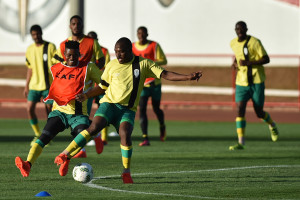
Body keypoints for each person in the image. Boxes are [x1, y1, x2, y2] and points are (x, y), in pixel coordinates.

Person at [54, 37, 202, 184]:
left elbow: (165, 74)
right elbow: (102, 86)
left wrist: (188, 76)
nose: (118, 55)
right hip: (109, 105)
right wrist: (86, 95)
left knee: (125, 134)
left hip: (127, 110)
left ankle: (126, 172)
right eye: (116, 52)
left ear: (130, 51)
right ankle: (65, 154)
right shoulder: (112, 65)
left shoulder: (143, 64)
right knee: (93, 128)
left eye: (122, 52)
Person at [15, 41, 102, 177]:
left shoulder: (88, 68)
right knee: (44, 137)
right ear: (64, 55)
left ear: (79, 54)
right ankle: (27, 164)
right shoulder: (56, 68)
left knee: (82, 135)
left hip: (78, 114)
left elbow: (104, 85)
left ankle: (65, 156)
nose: (71, 58)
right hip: (59, 112)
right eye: (68, 56)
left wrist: (87, 95)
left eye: (74, 55)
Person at [52, 15, 105, 157]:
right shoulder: (64, 44)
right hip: (67, 86)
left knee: (79, 117)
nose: (76, 26)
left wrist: (89, 72)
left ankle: (81, 150)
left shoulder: (91, 42)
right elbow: (55, 61)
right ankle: (96, 135)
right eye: (73, 23)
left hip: (84, 88)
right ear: (70, 26)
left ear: (82, 25)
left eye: (78, 23)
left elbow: (101, 59)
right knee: (73, 117)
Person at [229, 21, 279, 150]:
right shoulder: (233, 43)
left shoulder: (255, 42)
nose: (239, 30)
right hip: (241, 82)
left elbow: (266, 59)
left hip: (256, 81)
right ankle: (241, 142)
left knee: (258, 112)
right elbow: (238, 56)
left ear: (246, 29)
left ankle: (272, 124)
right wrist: (235, 63)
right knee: (240, 110)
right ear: (235, 30)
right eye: (237, 29)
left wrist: (249, 63)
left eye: (242, 28)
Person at [132, 26, 168, 146]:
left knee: (156, 109)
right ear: (137, 34)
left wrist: (149, 62)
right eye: (139, 33)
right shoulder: (132, 47)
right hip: (142, 83)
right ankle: (145, 138)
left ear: (147, 34)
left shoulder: (154, 45)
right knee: (142, 110)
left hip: (155, 83)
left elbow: (164, 60)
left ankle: (162, 126)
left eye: (143, 33)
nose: (141, 35)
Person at [24, 24, 56, 146]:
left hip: (48, 86)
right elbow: (30, 68)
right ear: (31, 36)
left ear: (41, 33)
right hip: (34, 86)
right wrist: (26, 85)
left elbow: (56, 65)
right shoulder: (30, 49)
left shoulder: (50, 47)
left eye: (38, 34)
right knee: (29, 109)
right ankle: (38, 133)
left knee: (49, 111)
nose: (36, 36)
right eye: (33, 34)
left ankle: (47, 135)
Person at [86, 31, 110, 146]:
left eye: (93, 39)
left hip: (100, 85)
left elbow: (108, 67)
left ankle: (103, 137)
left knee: (102, 111)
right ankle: (95, 135)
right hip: (89, 86)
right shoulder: (85, 50)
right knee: (86, 113)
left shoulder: (104, 51)